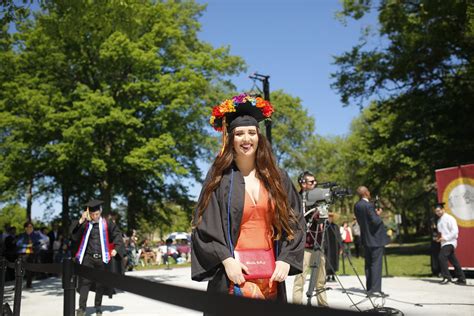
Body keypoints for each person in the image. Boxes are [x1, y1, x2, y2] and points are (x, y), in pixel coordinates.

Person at [191, 93, 305, 314]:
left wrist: (286, 259)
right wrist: (226, 260)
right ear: (230, 138)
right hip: (233, 273)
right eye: (239, 133)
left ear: (259, 137)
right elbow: (204, 223)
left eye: (252, 133)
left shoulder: (276, 177)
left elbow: (295, 220)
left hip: (270, 274)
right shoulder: (219, 178)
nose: (246, 139)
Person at [70, 199, 125, 316]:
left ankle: (98, 306)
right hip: (87, 258)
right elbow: (74, 237)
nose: (95, 216)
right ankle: (82, 308)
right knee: (85, 282)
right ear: (89, 213)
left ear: (100, 212)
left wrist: (116, 249)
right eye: (92, 214)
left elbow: (118, 235)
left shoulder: (107, 224)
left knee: (100, 283)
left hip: (102, 258)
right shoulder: (85, 224)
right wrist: (81, 220)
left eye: (97, 214)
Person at [292, 171, 328, 307]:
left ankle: (323, 306)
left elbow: (323, 219)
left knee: (320, 281)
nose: (315, 184)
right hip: (304, 247)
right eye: (311, 182)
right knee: (300, 281)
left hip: (318, 245)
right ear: (303, 183)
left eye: (315, 182)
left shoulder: (319, 199)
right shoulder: (297, 199)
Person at [354, 186, 390, 297]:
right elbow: (375, 221)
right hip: (375, 239)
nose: (370, 193)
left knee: (368, 264)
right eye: (368, 191)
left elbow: (362, 221)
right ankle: (375, 289)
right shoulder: (369, 205)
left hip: (366, 238)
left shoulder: (357, 205)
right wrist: (378, 214)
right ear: (365, 193)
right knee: (376, 265)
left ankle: (369, 288)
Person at [434, 203, 466, 285]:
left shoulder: (450, 218)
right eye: (436, 211)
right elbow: (440, 233)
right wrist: (438, 239)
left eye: (439, 210)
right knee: (454, 261)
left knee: (441, 257)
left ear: (443, 209)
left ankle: (447, 277)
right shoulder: (439, 220)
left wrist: (445, 238)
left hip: (450, 242)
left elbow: (455, 232)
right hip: (443, 243)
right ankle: (461, 278)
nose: (438, 212)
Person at [16, 222, 47, 288]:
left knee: (30, 269)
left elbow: (43, 241)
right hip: (23, 253)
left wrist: (37, 245)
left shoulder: (36, 234)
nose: (31, 228)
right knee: (21, 268)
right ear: (25, 228)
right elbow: (18, 244)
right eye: (29, 227)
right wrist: (27, 245)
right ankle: (18, 284)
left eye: (32, 227)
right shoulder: (22, 235)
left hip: (33, 253)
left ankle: (28, 283)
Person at [324, 213, 342, 282]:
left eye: (331, 217)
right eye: (329, 217)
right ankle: (328, 276)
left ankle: (333, 275)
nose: (330, 218)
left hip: (335, 247)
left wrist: (340, 247)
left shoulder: (335, 226)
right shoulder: (325, 226)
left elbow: (339, 237)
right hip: (327, 247)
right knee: (327, 261)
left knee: (334, 261)